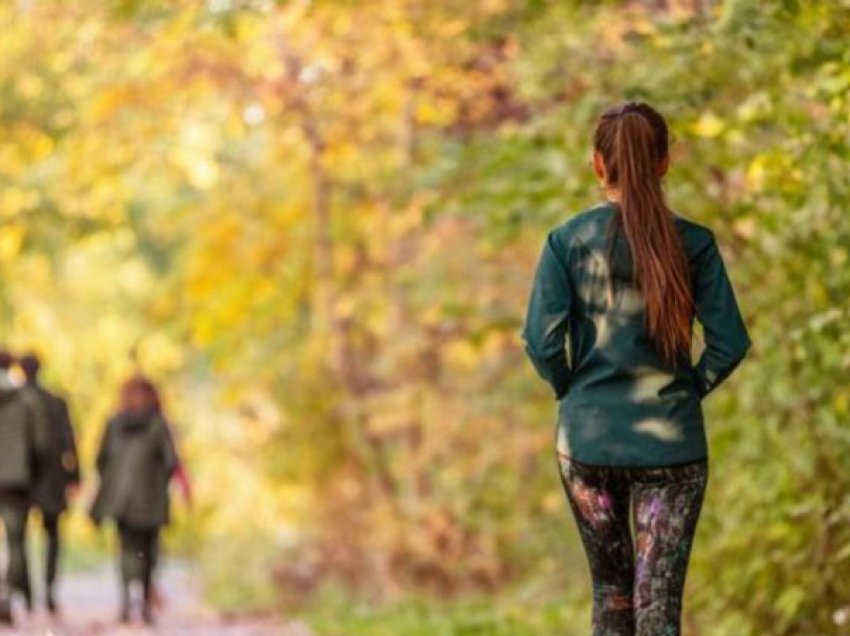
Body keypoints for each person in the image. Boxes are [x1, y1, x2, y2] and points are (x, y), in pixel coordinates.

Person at [522, 102, 750, 635]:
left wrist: (570, 390)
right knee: (657, 607)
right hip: (673, 444)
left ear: (598, 165)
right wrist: (689, 389)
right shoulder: (694, 243)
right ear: (665, 162)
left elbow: (541, 342)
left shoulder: (566, 242)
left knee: (611, 595)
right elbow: (729, 343)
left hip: (587, 443)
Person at [90, 375, 177, 625]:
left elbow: (100, 461)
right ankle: (146, 603)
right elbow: (171, 461)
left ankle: (127, 600)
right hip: (151, 497)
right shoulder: (159, 424)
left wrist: (114, 481)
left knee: (126, 549)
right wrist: (159, 480)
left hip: (121, 499)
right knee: (150, 550)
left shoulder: (115, 424)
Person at [18, 353, 80, 615]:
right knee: (52, 535)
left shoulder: (14, 401)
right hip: (52, 477)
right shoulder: (56, 402)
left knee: (16, 537)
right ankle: (49, 591)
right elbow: (70, 443)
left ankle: (29, 593)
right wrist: (76, 476)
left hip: (22, 478)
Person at [0, 350, 47, 626]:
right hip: (16, 479)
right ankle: (5, 595)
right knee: (16, 540)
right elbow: (40, 444)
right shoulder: (26, 400)